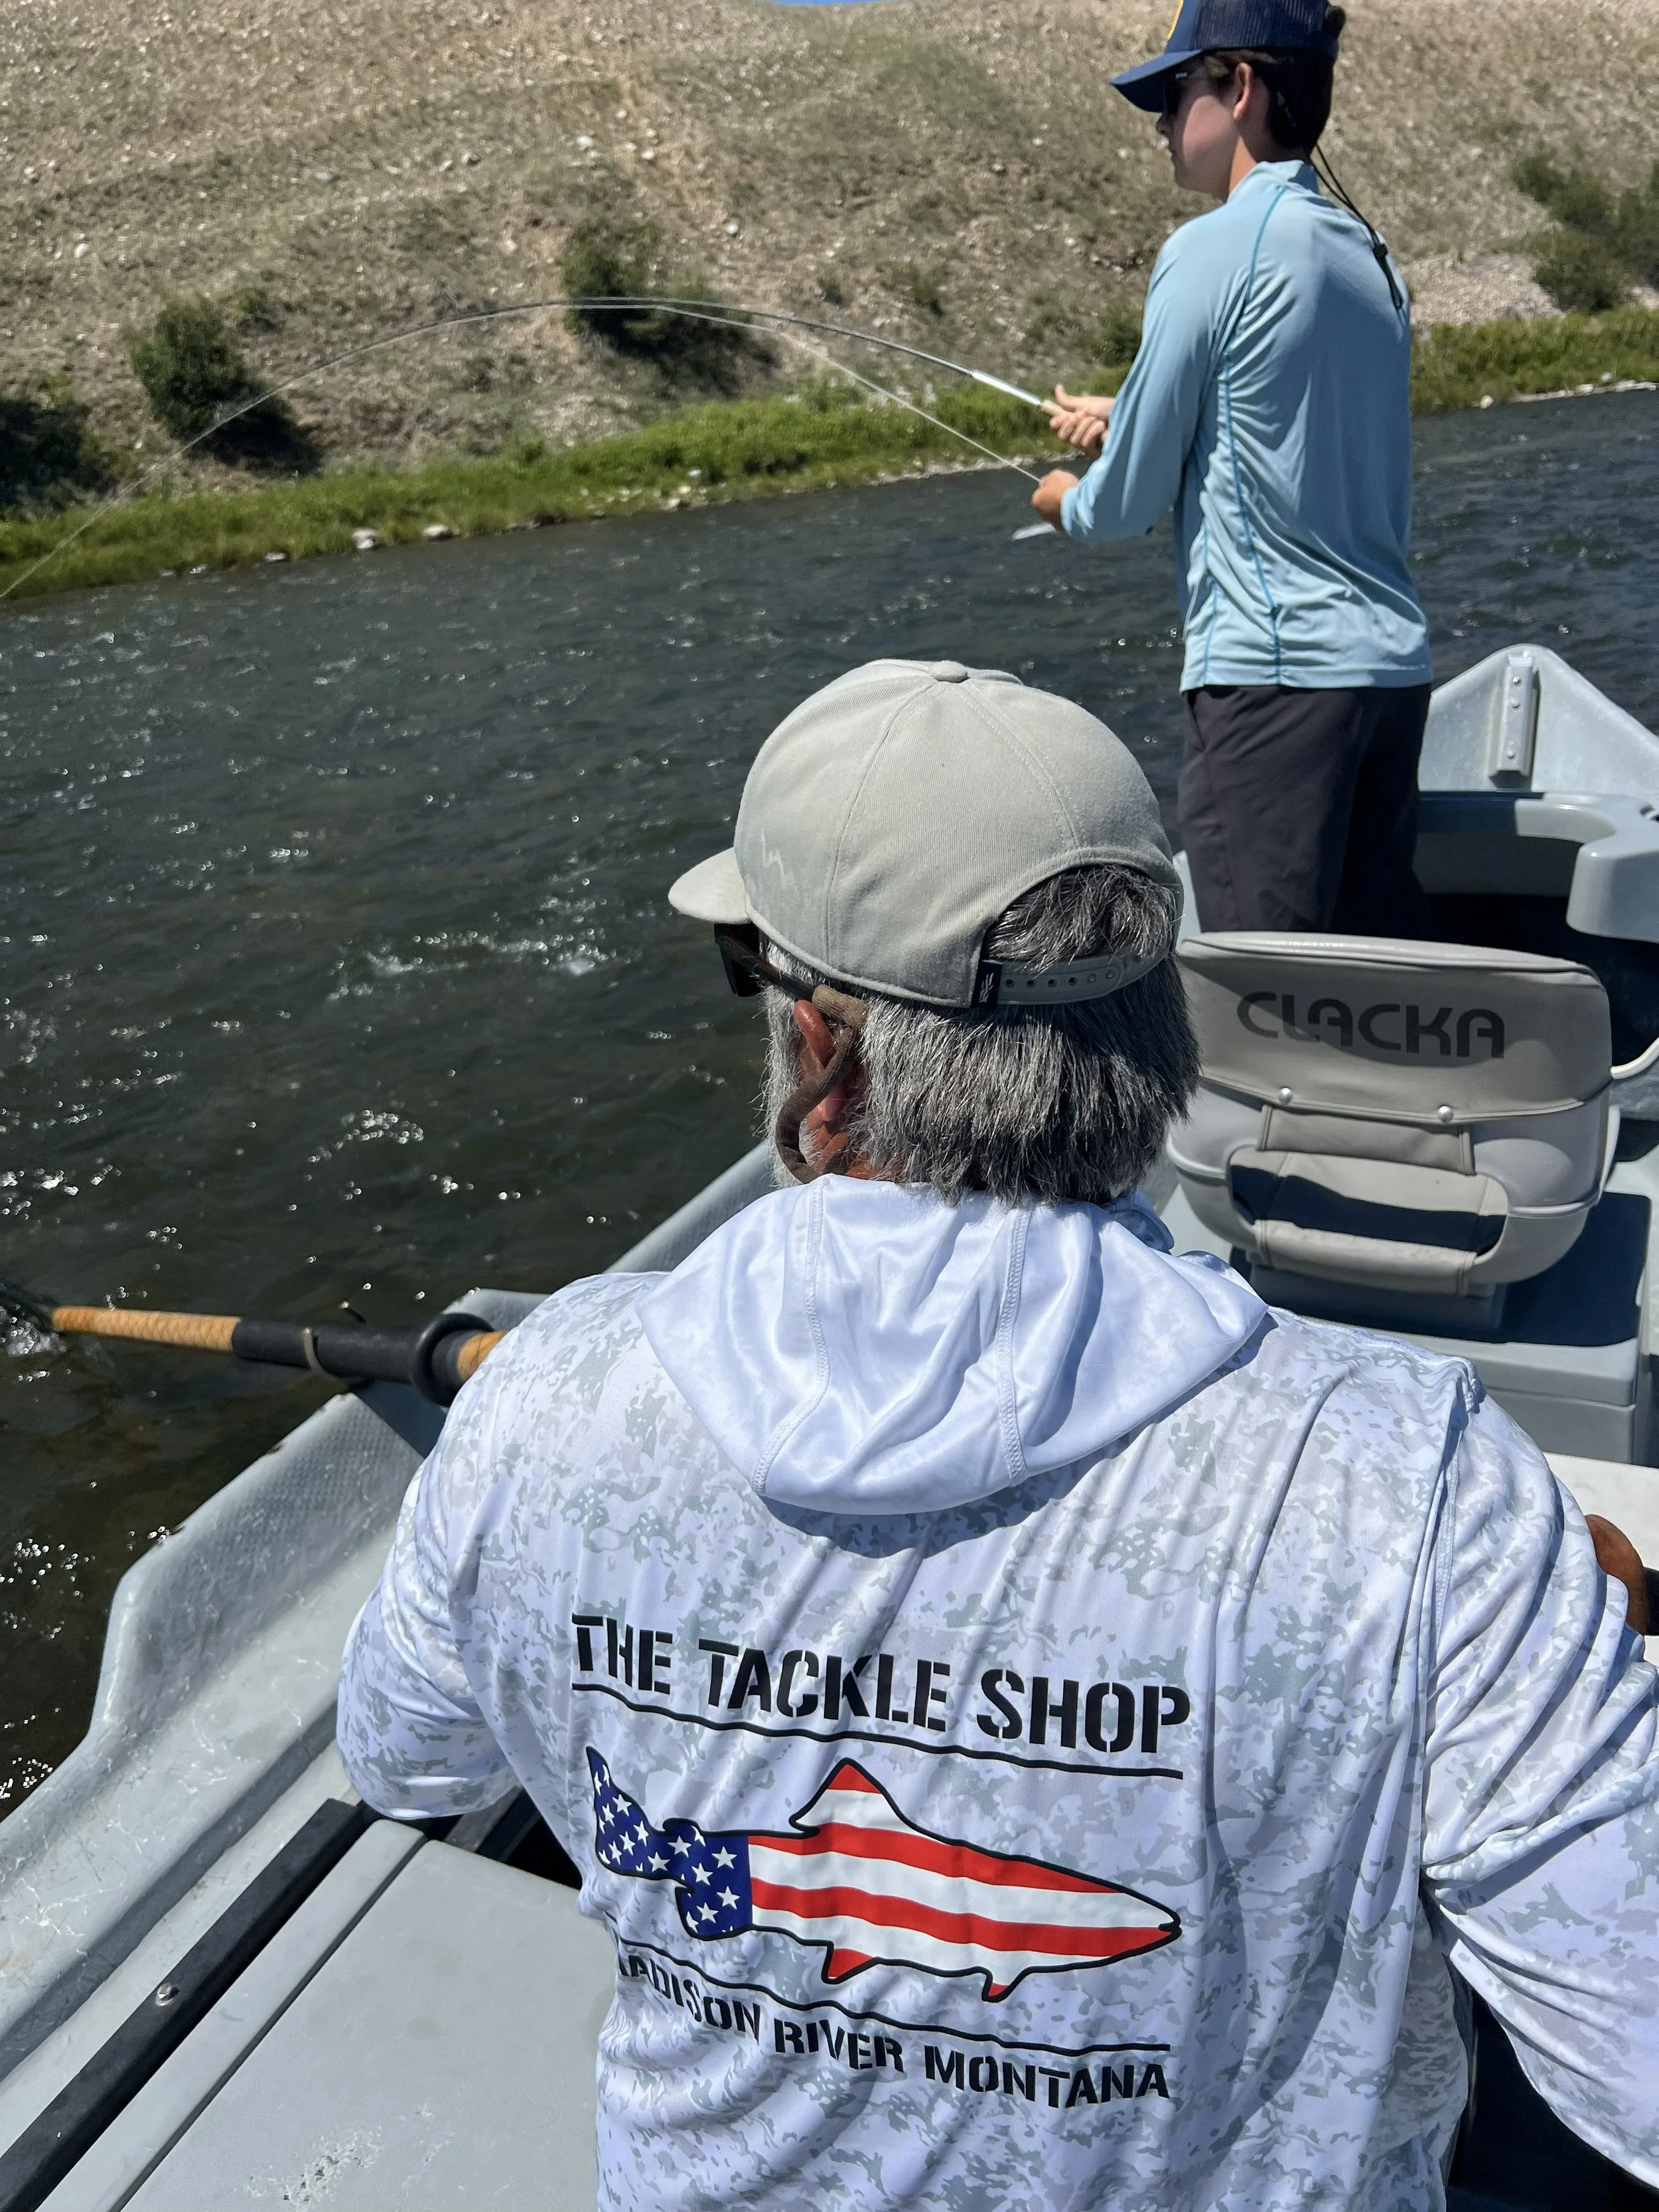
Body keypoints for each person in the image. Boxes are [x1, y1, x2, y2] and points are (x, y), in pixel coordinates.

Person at [338, 660, 1658, 2212]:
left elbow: (402, 1751)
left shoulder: (537, 1399)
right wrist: (1557, 1639)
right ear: (1159, 1012)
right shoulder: (1410, 1484)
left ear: (818, 1059)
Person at [1030, 0, 1434, 938]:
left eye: (1174, 95)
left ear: (1240, 87)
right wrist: (1124, 412)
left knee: (1275, 984)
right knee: (1372, 963)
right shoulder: (1371, 260)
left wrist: (1064, 502)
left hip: (1273, 688)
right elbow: (1296, 421)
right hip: (1390, 683)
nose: (1163, 126)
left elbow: (1124, 505)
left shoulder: (1208, 250)